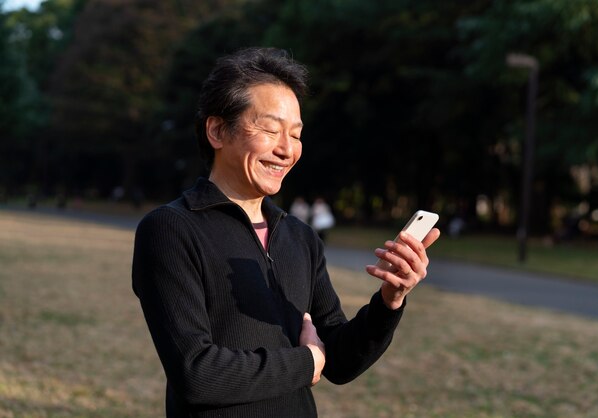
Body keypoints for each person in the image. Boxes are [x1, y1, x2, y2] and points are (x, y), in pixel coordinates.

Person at [132, 47, 440, 418]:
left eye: (295, 134)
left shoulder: (300, 236)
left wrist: (389, 301)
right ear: (216, 130)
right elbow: (197, 373)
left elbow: (339, 362)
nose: (286, 150)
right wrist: (306, 362)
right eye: (270, 128)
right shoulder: (170, 229)